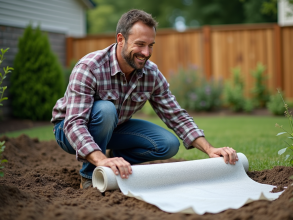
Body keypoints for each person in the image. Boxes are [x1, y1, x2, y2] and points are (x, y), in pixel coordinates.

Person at [51, 9, 238, 189]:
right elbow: (74, 123)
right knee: (106, 110)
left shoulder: (151, 73)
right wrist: (100, 160)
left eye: (151, 45)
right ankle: (90, 174)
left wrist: (210, 149)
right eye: (140, 44)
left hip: (114, 128)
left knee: (168, 144)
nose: (146, 53)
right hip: (68, 129)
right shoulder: (90, 67)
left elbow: (175, 115)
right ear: (120, 39)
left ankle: (116, 157)